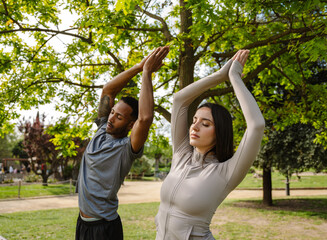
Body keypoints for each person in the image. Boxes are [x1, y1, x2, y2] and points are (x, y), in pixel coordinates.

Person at [155, 49, 265, 239]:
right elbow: (179, 100)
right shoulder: (181, 155)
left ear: (220, 133)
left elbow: (256, 125)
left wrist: (234, 77)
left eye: (205, 124)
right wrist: (219, 75)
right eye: (194, 120)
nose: (195, 126)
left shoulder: (226, 172)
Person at [76, 46, 169, 240]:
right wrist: (138, 66)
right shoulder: (102, 128)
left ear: (130, 124)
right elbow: (108, 89)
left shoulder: (127, 148)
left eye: (119, 117)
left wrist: (146, 74)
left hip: (104, 228)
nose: (111, 118)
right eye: (112, 112)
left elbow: (145, 118)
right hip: (83, 223)